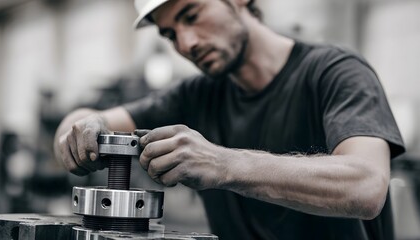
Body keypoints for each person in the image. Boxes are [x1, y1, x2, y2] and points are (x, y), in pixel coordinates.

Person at [54, 0, 405, 239]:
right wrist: (79, 128)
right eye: (170, 34)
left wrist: (222, 164)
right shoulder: (196, 94)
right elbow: (91, 120)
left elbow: (366, 186)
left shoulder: (336, 72)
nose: (186, 43)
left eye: (191, 15)